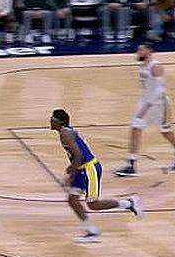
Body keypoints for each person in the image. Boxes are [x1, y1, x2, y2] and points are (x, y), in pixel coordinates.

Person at [50, 109, 142, 243]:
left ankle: (129, 203)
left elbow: (79, 156)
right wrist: (73, 172)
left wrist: (70, 171)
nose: (50, 120)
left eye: (53, 118)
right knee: (72, 200)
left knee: (93, 204)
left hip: (89, 169)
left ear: (60, 122)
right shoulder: (65, 132)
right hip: (82, 169)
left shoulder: (65, 133)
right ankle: (91, 231)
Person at [115, 44, 175, 176]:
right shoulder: (143, 65)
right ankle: (131, 164)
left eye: (141, 49)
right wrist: (143, 104)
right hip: (146, 104)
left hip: (160, 105)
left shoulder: (155, 66)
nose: (138, 52)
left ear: (149, 51)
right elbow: (147, 88)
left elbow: (159, 90)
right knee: (135, 129)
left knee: (166, 132)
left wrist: (147, 105)